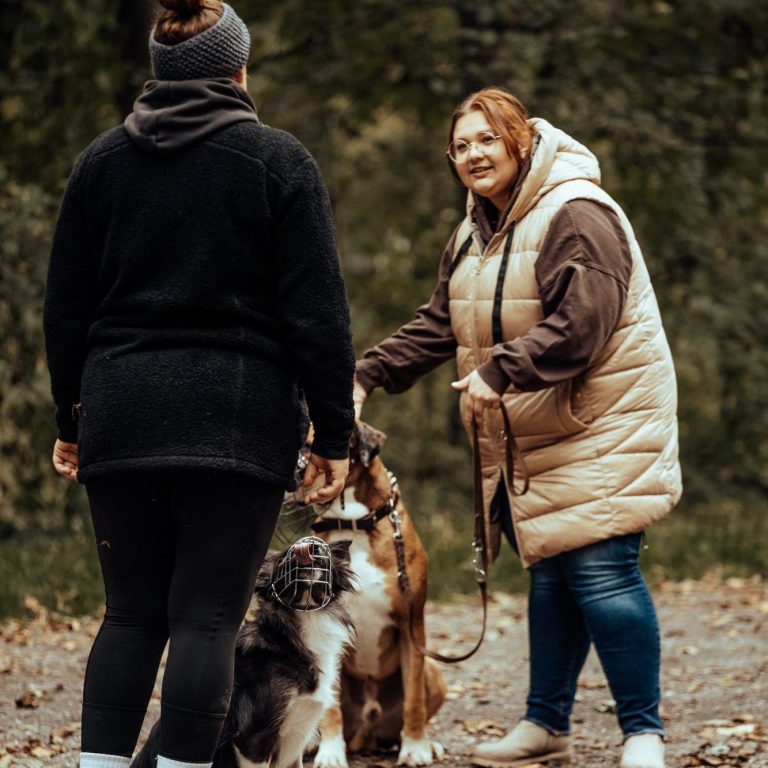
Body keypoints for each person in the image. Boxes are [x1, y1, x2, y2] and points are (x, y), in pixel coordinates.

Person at [43, 1, 355, 767]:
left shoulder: (99, 163)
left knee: (129, 617)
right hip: (237, 419)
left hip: (122, 411)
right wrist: (334, 435)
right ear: (238, 68)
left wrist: (72, 422)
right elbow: (318, 314)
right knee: (206, 620)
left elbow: (66, 309)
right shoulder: (278, 161)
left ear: (161, 72)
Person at [353, 87, 682, 768]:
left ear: (522, 140)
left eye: (487, 139)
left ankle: (643, 733)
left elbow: (585, 322)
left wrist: (501, 370)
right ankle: (546, 725)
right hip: (539, 432)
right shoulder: (475, 232)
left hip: (600, 423)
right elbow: (443, 322)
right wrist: (368, 373)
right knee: (553, 575)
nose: (473, 154)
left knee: (602, 573)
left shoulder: (575, 212)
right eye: (460, 145)